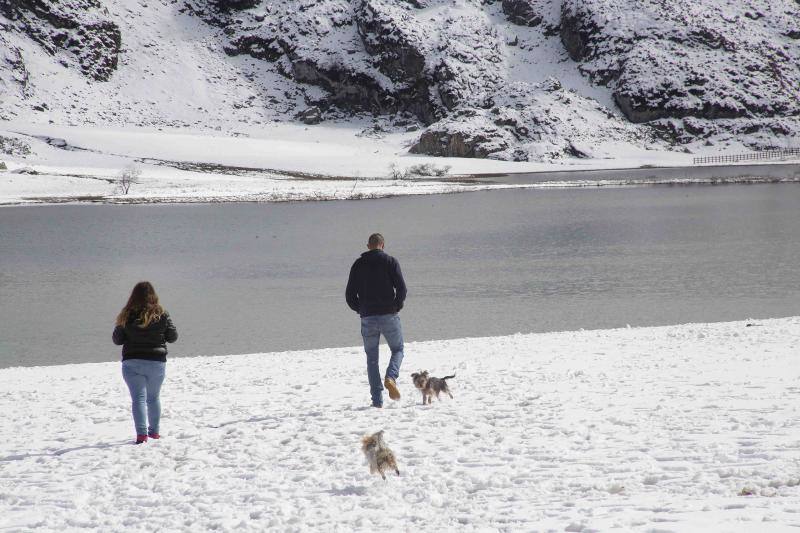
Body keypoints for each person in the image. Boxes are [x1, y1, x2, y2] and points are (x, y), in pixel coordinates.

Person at [346, 233, 407, 408]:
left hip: (368, 317)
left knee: (372, 359)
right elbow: (402, 289)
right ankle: (391, 377)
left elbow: (349, 295)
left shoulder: (358, 264)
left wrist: (361, 309)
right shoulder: (390, 261)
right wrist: (396, 306)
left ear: (368, 246)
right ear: (383, 245)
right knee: (398, 349)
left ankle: (377, 401)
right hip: (389, 314)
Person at [113, 281, 178, 444]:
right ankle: (154, 433)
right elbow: (173, 337)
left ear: (133, 296)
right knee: (153, 398)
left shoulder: (126, 314)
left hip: (132, 361)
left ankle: (141, 435)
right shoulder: (162, 313)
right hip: (156, 362)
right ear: (153, 295)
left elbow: (117, 340)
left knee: (138, 399)